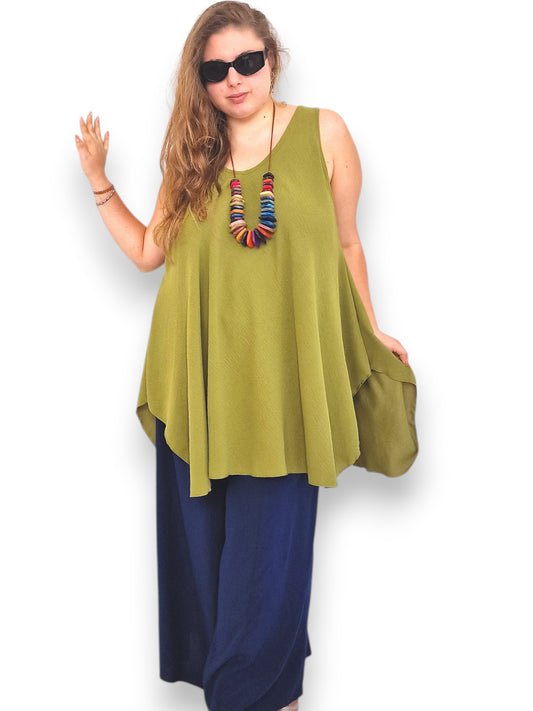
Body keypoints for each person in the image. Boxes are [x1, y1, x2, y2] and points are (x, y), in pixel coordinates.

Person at [75, 2, 418, 709]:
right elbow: (148, 254)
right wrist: (99, 182)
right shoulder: (191, 156)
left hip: (286, 386)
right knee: (207, 568)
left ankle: (249, 695)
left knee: (267, 564)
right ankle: (272, 693)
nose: (233, 78)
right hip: (197, 386)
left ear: (272, 59)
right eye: (215, 70)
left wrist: (369, 327)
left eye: (247, 62)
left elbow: (346, 242)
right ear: (199, 81)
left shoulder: (324, 131)